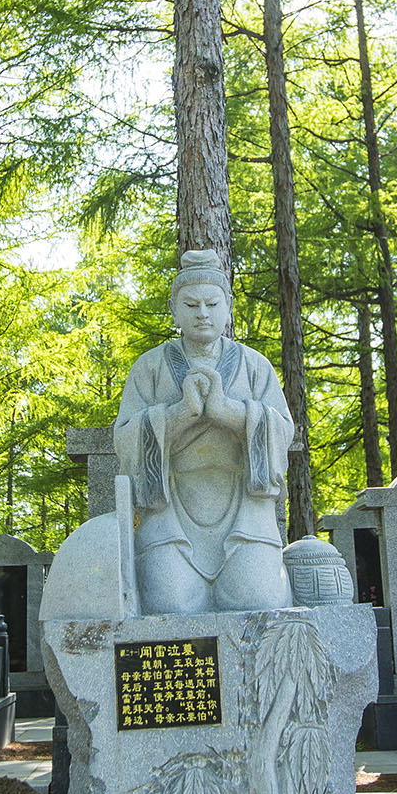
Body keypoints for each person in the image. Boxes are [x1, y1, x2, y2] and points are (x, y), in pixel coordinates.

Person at [115, 248, 294, 615]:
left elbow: (282, 430)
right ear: (173, 309)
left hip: (244, 509)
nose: (202, 313)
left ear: (228, 307)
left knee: (258, 600)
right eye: (191, 305)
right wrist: (180, 413)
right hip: (170, 512)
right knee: (168, 605)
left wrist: (230, 412)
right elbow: (125, 438)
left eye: (212, 304)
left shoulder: (254, 365)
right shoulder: (150, 367)